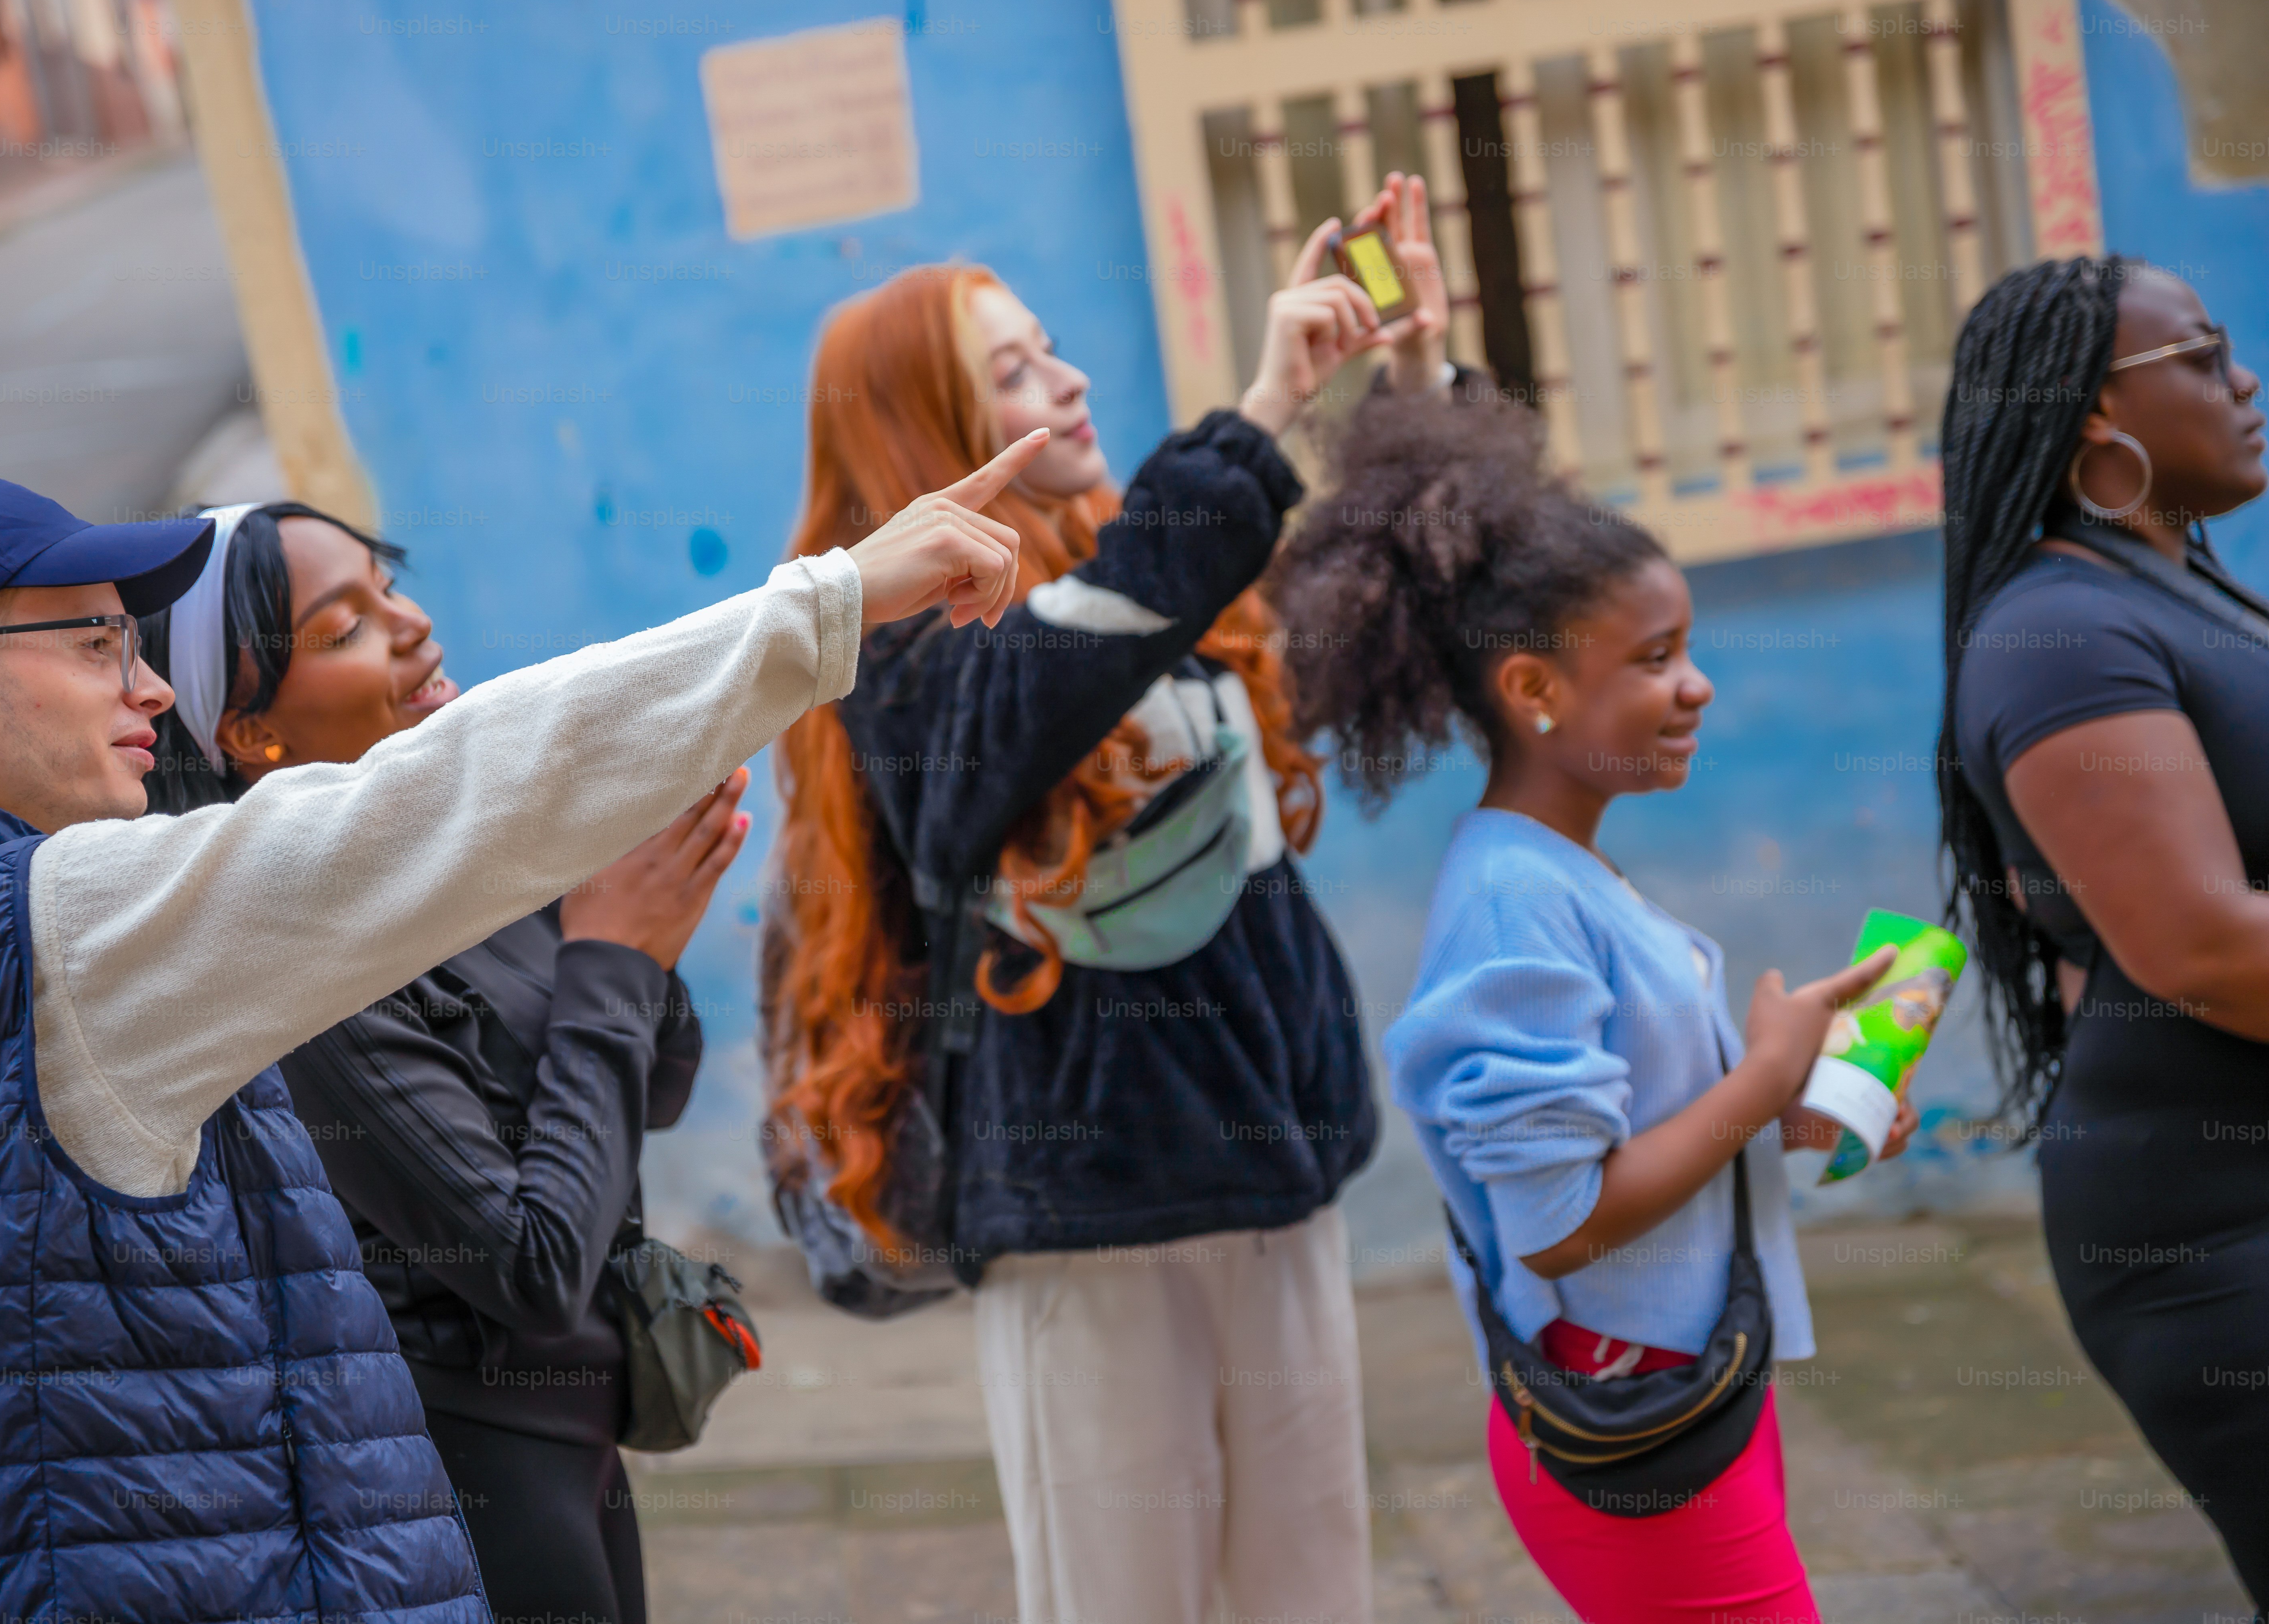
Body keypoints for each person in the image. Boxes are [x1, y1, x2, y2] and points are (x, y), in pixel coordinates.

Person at [0, 455, 1031, 1622]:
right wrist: (835, 602)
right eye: (92, 642)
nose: (150, 691)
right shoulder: (45, 930)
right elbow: (448, 795)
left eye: (135, 641)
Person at [757, 175, 1444, 1622]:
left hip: (1274, 1179)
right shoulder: (891, 655)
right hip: (1088, 1225)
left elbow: (1408, 611)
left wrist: (1408, 378)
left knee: (1312, 1596)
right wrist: (1252, 423)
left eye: (1051, 349)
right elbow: (1018, 708)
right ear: (923, 436)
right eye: (1010, 374)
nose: (1067, 382)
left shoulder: (1143, 582)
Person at [1273, 390, 1914, 1624]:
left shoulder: (1561, 871)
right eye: (1655, 656)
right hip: (1633, 1437)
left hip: (1695, 1394)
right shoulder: (1514, 899)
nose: (1698, 687)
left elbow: (1629, 1126)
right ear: (1534, 686)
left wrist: (1801, 1099)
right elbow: (1560, 1222)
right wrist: (1759, 1080)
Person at [137, 500, 745, 1624]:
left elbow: (651, 1095)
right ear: (248, 735)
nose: (413, 625)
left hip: (585, 1439)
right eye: (346, 625)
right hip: (472, 1479)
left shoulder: (456, 854)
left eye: (388, 586)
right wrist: (615, 958)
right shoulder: (300, 965)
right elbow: (530, 1268)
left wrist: (646, 935)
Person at [1939, 256, 2269, 1596]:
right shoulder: (2060, 635)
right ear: (2093, 415)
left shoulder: (2167, 585)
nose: (2242, 381)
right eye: (2201, 355)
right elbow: (2201, 946)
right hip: (2222, 1233)